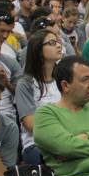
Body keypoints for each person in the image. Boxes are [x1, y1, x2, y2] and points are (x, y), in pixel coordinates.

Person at [15, 29, 63, 164]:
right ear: (38, 50)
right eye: (52, 43)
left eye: (58, 41)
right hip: (36, 144)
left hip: (68, 138)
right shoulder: (26, 83)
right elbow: (31, 125)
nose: (59, 45)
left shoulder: (64, 79)